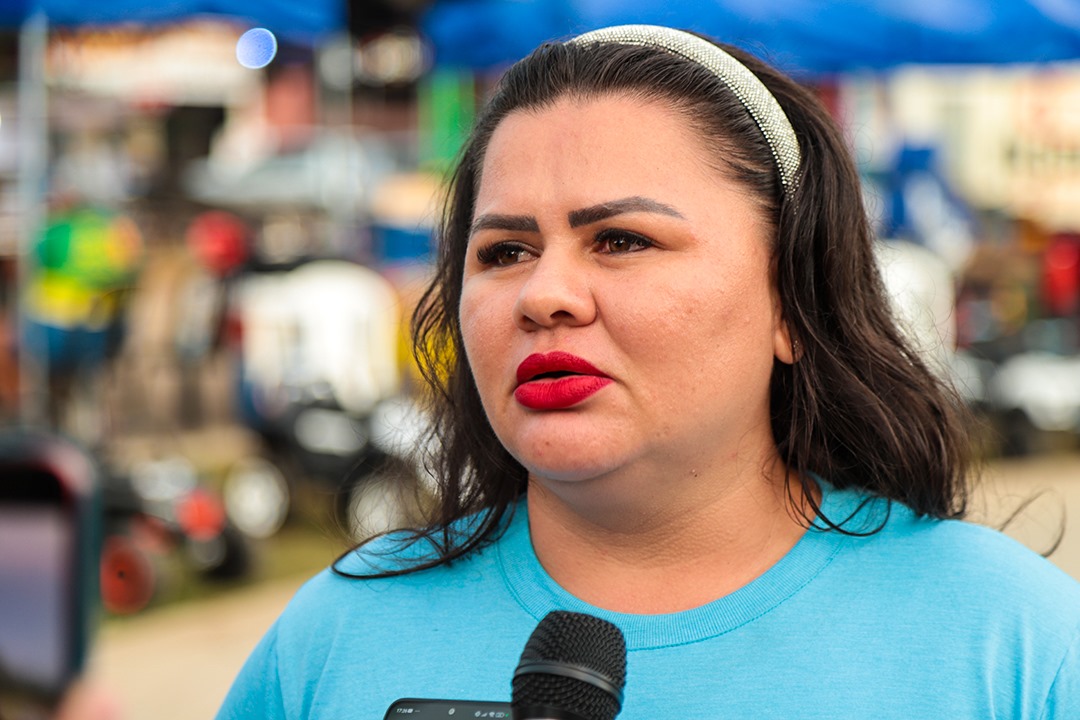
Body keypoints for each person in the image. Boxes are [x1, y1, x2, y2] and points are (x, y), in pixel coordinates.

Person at [215, 25, 1080, 718]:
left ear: (792, 300)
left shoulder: (1011, 645)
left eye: (622, 240)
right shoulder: (339, 638)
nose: (546, 295)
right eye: (505, 250)